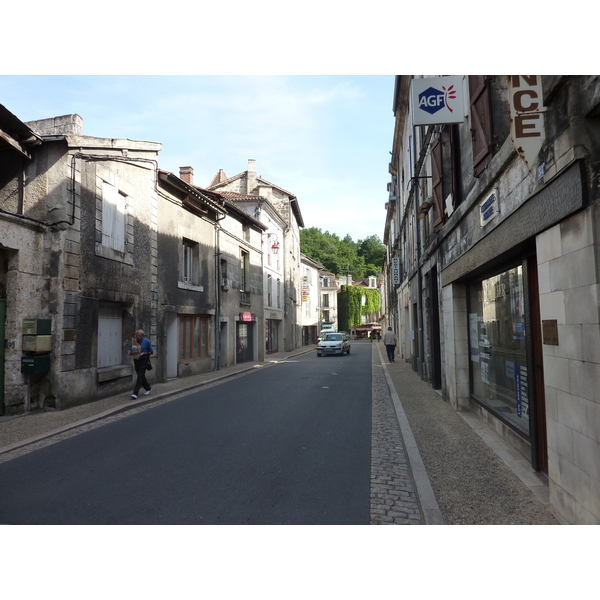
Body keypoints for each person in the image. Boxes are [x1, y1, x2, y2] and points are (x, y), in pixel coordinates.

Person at [130, 329, 154, 399]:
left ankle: (135, 393)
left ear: (143, 336)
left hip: (144, 359)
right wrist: (132, 353)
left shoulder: (147, 342)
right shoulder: (134, 342)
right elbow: (130, 352)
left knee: (140, 375)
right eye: (137, 335)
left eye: (139, 336)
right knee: (140, 375)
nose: (138, 337)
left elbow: (151, 352)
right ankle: (148, 388)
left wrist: (145, 353)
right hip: (136, 359)